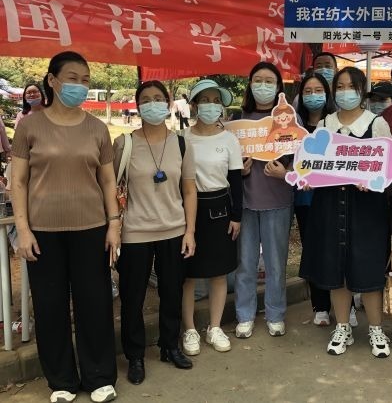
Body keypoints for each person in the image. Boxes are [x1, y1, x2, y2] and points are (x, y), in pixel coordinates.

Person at [11, 51, 118, 403]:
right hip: (43, 231)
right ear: (52, 81)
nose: (80, 86)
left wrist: (114, 223)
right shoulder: (29, 126)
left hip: (92, 228)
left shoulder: (97, 128)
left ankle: (99, 375)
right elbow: (19, 181)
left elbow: (107, 180)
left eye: (86, 80)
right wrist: (23, 229)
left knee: (95, 302)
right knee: (50, 305)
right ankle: (62, 380)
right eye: (73, 78)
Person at [299, 66, 392, 358]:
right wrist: (306, 177)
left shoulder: (376, 124)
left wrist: (374, 180)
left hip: (367, 209)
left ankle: (376, 328)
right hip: (329, 205)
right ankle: (342, 327)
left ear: (362, 90)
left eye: (351, 86)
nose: (344, 92)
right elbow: (313, 163)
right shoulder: (325, 123)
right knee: (336, 268)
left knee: (369, 267)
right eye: (339, 87)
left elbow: (389, 169)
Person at [113, 80, 197, 385]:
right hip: (135, 233)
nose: (152, 104)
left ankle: (169, 346)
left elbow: (189, 190)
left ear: (169, 103)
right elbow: (112, 188)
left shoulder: (182, 143)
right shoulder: (124, 144)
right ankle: (135, 355)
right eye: (146, 100)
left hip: (174, 231)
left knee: (172, 293)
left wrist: (190, 231)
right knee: (132, 298)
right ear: (138, 106)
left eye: (158, 98)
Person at [180, 79, 242, 355]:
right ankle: (189, 329)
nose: (211, 106)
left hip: (220, 210)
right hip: (188, 210)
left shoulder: (229, 139)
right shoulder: (181, 138)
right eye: (204, 100)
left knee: (219, 273)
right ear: (194, 105)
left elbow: (236, 181)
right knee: (188, 275)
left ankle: (214, 327)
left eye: (216, 101)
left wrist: (236, 216)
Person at [235, 62, 293, 339]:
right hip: (246, 201)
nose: (263, 86)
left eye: (269, 81)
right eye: (258, 80)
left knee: (275, 263)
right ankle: (244, 315)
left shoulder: (288, 118)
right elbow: (227, 159)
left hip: (278, 200)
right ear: (250, 84)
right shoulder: (238, 119)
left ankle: (275, 313)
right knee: (245, 263)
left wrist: (286, 171)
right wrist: (238, 170)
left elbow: (302, 157)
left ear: (279, 86)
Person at [294, 71, 336, 326]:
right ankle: (320, 305)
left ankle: (346, 305)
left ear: (327, 94)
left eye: (318, 91)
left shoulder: (335, 123)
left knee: (336, 249)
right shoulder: (293, 126)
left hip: (332, 198)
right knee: (313, 250)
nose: (313, 96)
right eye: (307, 91)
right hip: (305, 200)